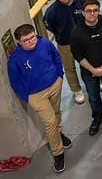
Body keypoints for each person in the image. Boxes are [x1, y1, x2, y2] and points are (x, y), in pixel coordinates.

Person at [8, 24, 72, 173]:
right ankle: (58, 153)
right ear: (19, 42)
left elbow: (56, 57)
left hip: (54, 85)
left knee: (56, 113)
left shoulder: (45, 43)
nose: (31, 41)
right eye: (26, 40)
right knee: (50, 122)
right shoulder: (14, 60)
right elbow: (15, 82)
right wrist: (27, 97)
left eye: (32, 37)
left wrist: (60, 76)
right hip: (36, 95)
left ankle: (59, 133)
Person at [70, 0, 102, 135]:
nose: (92, 13)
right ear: (83, 13)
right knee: (93, 96)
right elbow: (78, 55)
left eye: (95, 10)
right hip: (88, 71)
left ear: (98, 11)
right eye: (88, 11)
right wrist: (93, 70)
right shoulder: (76, 32)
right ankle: (97, 119)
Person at [43, 0, 87, 105]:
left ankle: (94, 82)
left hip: (84, 39)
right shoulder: (52, 11)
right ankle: (77, 90)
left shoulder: (82, 1)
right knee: (69, 68)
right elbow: (49, 25)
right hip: (65, 43)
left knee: (88, 61)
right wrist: (60, 34)